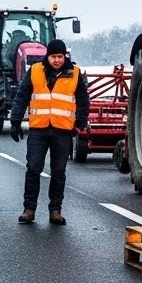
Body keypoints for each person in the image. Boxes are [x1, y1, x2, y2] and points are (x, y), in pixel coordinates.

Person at [8, 40, 89, 226]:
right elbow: (22, 96)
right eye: (53, 57)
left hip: (63, 131)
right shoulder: (35, 71)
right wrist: (15, 122)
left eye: (60, 57)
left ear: (65, 56)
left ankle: (55, 211)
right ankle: (29, 210)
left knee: (59, 172)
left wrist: (80, 122)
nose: (57, 60)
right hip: (39, 130)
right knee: (33, 168)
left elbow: (83, 100)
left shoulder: (75, 73)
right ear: (48, 57)